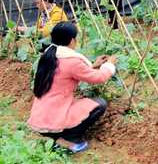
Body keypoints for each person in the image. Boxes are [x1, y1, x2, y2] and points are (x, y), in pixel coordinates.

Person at [28, 21, 117, 153]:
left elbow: (66, 73)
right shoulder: (72, 61)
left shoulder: (49, 54)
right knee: (100, 104)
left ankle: (53, 135)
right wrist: (109, 65)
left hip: (41, 116)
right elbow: (98, 78)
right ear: (71, 40)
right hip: (54, 119)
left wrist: (94, 65)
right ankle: (69, 136)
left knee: (80, 103)